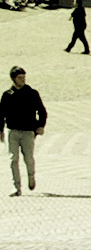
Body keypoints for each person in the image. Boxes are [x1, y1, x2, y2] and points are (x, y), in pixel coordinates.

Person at [3, 67, 46, 197]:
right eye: (20, 78)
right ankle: (16, 186)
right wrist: (0, 130)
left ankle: (31, 177)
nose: (22, 80)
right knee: (13, 159)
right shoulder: (8, 94)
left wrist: (40, 126)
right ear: (14, 79)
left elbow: (42, 111)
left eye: (24, 77)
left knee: (28, 158)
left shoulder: (32, 93)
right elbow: (1, 114)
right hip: (12, 131)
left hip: (28, 131)